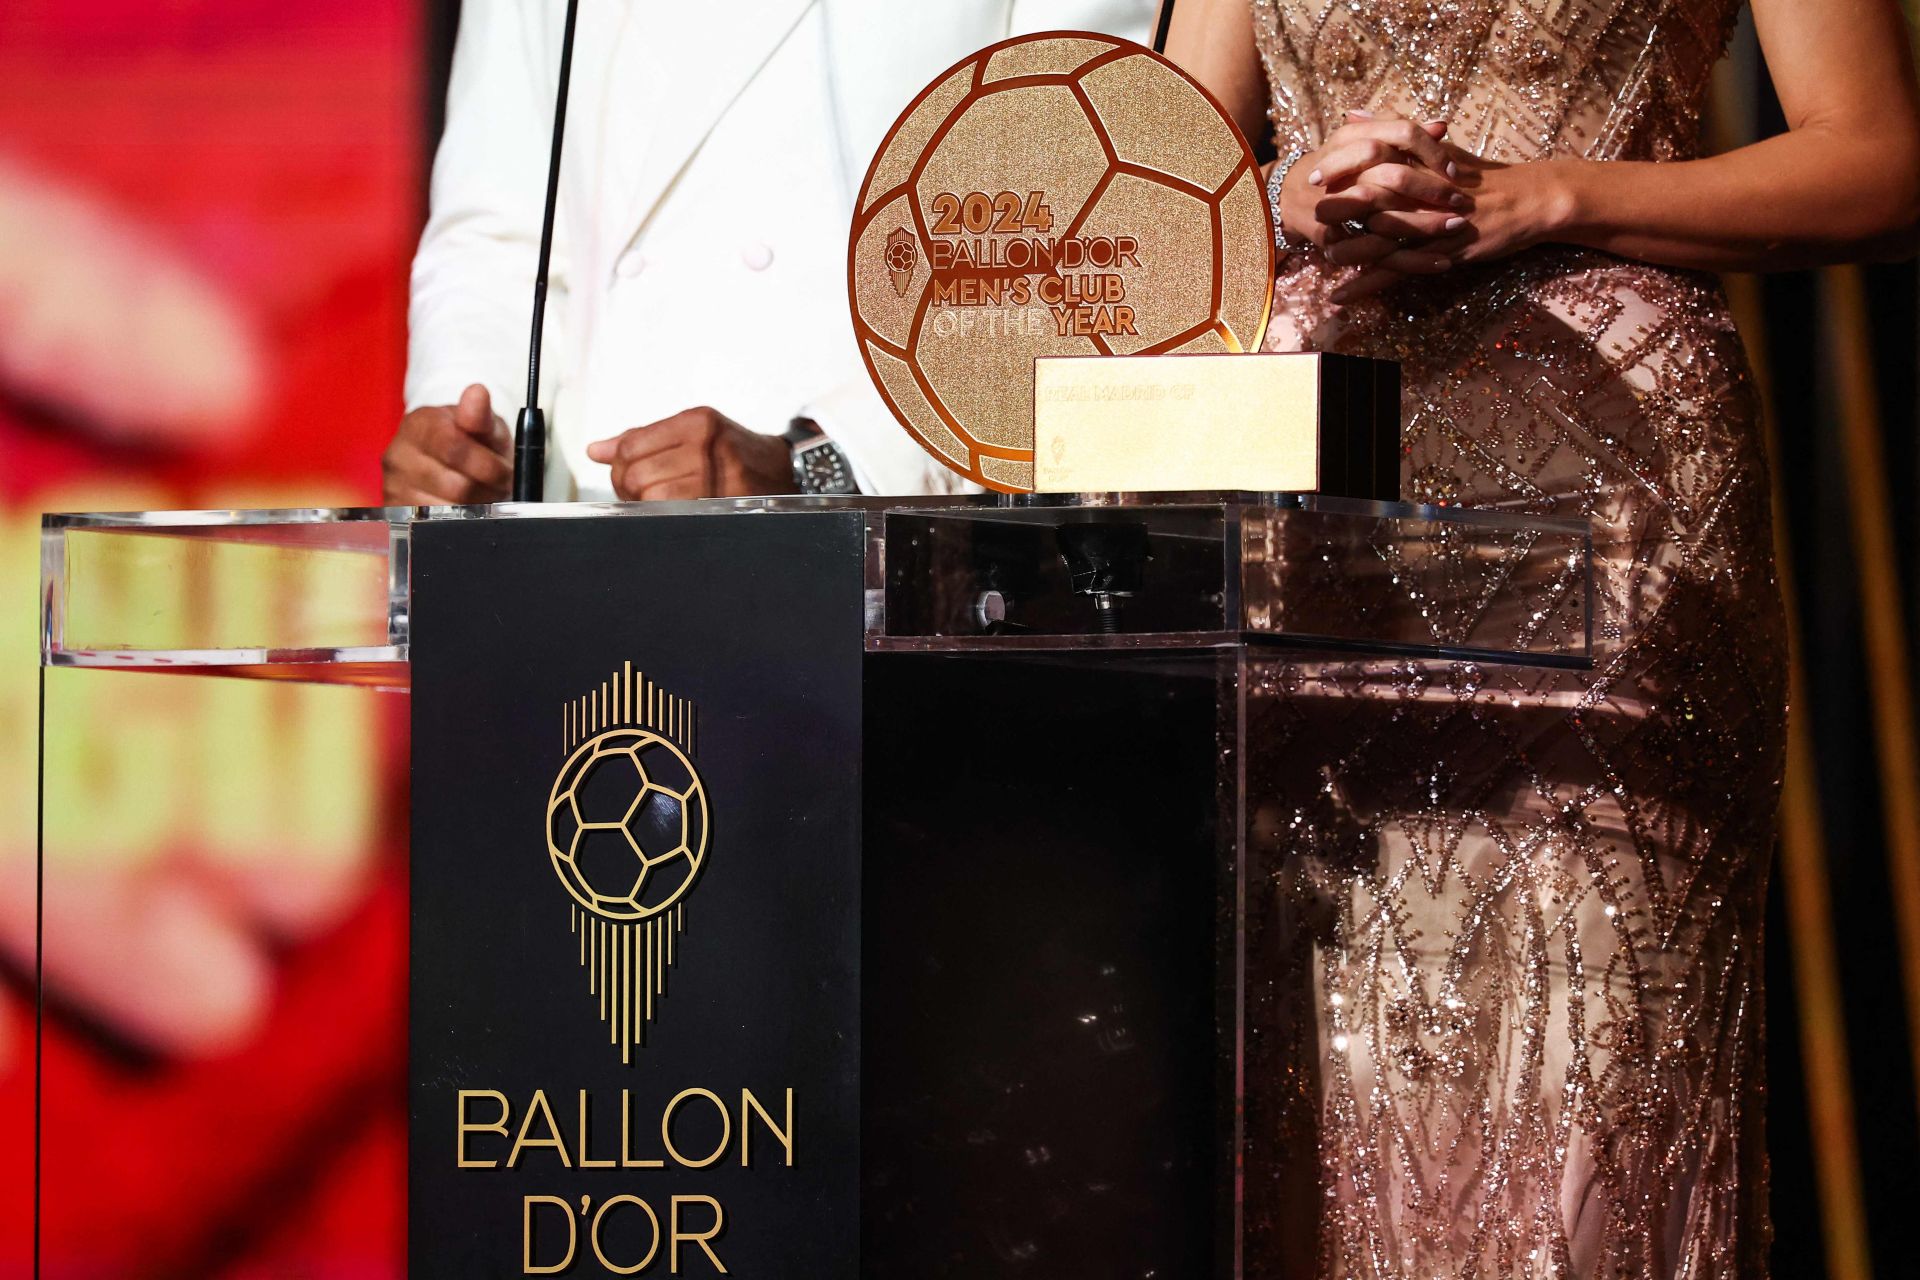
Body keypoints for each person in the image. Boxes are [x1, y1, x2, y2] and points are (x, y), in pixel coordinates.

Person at [1162, 0, 1920, 1276]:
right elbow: (1160, 161)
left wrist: (1545, 197)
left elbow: (1883, 160)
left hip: (1623, 489)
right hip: (1323, 473)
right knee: (1343, 1059)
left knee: (1597, 1078)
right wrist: (1293, 193)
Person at [385, 0, 1156, 504]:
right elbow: (497, 231)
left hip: (891, 562)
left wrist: (816, 465)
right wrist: (459, 434)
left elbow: (1073, 243)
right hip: (575, 539)